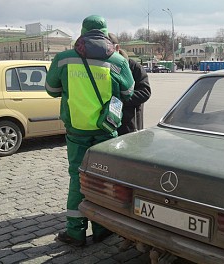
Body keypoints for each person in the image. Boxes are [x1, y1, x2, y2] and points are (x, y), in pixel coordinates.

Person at [45, 15, 135, 247]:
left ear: (82, 32)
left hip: (76, 130)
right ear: (106, 33)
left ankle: (75, 233)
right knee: (103, 178)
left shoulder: (64, 59)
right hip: (106, 130)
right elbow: (128, 93)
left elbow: (51, 89)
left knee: (77, 177)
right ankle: (102, 229)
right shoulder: (118, 61)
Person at [108, 33, 151, 135]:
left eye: (108, 49)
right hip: (109, 125)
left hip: (130, 125)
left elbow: (145, 92)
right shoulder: (104, 65)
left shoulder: (134, 67)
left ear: (117, 48)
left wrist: (119, 98)